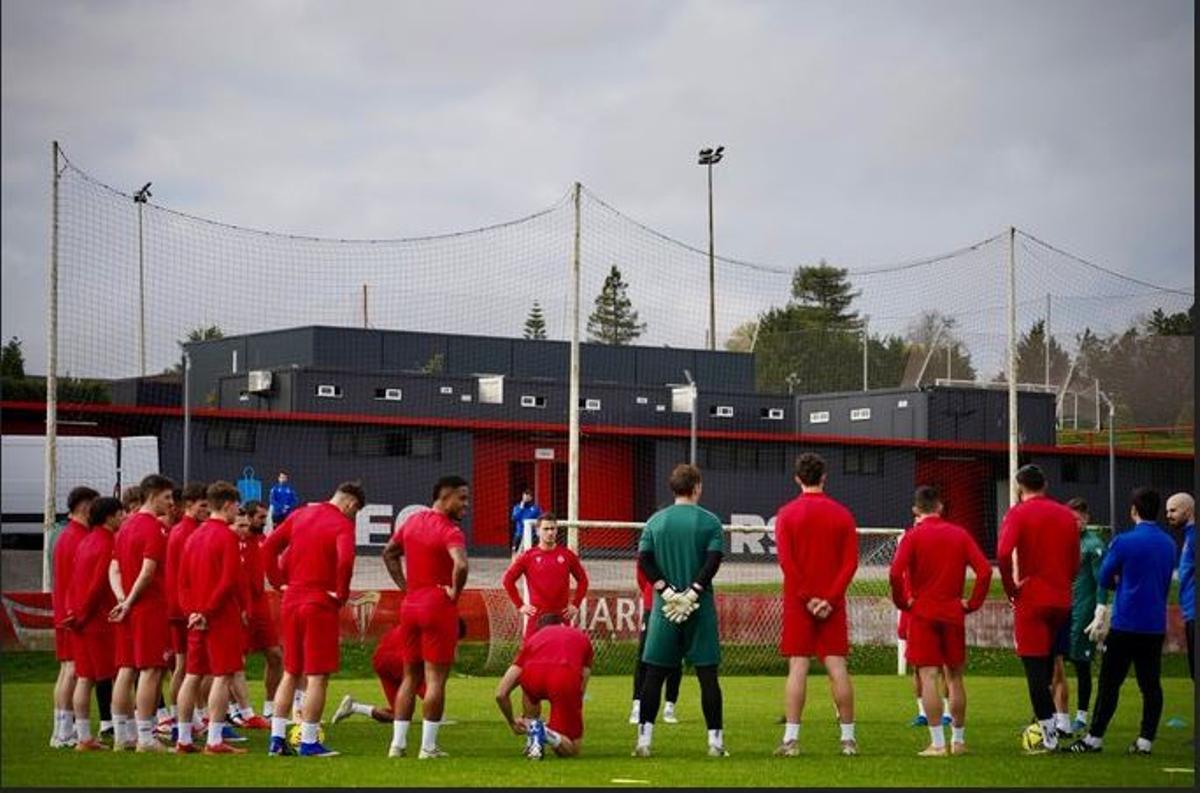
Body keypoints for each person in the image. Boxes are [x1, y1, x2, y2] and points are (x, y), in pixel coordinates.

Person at [1070, 488, 1177, 755]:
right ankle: (1145, 741)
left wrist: (1122, 580)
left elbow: (1105, 579)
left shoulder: (1123, 542)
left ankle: (1094, 738)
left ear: (1133, 511)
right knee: (1151, 684)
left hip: (1126, 621)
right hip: (1154, 623)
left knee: (1110, 683)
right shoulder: (1169, 544)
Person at [263, 481, 364, 757]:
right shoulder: (342, 525)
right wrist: (340, 594)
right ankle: (308, 741)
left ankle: (276, 739)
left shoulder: (300, 514)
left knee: (290, 672)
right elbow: (345, 561)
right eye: (354, 512)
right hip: (319, 602)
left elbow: (269, 547)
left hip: (292, 599)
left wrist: (277, 582)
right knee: (317, 676)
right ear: (351, 504)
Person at [889, 486, 992, 756]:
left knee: (928, 676)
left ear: (916, 510)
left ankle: (937, 743)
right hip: (952, 612)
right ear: (940, 507)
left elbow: (895, 573)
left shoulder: (912, 537)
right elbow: (984, 570)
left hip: (922, 613)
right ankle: (958, 741)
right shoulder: (959, 535)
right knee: (955, 677)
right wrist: (972, 603)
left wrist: (904, 603)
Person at [632, 463, 726, 759]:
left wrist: (667, 592)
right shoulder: (710, 522)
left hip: (664, 611)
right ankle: (715, 743)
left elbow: (645, 560)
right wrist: (692, 593)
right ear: (696, 486)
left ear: (672, 488)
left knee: (654, 676)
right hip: (699, 609)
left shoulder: (655, 522)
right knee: (707, 676)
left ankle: (644, 742)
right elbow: (712, 561)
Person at [773, 452, 859, 757]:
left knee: (798, 666)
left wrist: (809, 598)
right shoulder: (842, 514)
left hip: (800, 601)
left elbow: (787, 562)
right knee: (837, 666)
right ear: (824, 477)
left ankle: (792, 739)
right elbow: (850, 563)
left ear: (798, 478)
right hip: (831, 602)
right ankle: (848, 740)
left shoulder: (786, 514)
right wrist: (830, 599)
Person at [380, 475, 471, 759]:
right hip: (437, 606)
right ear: (445, 497)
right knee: (435, 680)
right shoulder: (450, 530)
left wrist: (406, 587)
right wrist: (455, 593)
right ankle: (428, 747)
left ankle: (397, 745)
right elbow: (461, 564)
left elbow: (388, 553)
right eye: (462, 498)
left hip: (410, 606)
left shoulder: (412, 522)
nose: (466, 505)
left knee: (409, 677)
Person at [996, 464, 1079, 753]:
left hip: (1032, 598)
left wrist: (1011, 588)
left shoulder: (1018, 513)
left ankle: (1048, 736)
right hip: (1061, 598)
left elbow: (1003, 553)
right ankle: (1053, 724)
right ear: (1045, 484)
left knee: (1034, 668)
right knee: (1050, 664)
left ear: (1020, 488)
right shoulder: (1066, 515)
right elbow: (1075, 561)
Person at [173, 481, 248, 755]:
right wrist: (206, 611)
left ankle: (183, 738)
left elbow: (182, 582)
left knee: (192, 675)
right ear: (228, 504)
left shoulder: (194, 535)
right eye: (237, 506)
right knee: (223, 675)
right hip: (219, 616)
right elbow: (228, 580)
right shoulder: (227, 537)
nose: (238, 511)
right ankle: (215, 740)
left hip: (195, 617)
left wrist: (191, 612)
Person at [109, 473, 175, 752]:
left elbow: (114, 567)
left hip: (128, 608)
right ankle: (146, 737)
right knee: (151, 670)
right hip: (147, 608)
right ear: (153, 495)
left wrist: (122, 599)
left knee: (126, 670)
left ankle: (122, 735)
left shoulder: (126, 526)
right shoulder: (152, 528)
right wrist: (131, 600)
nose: (171, 503)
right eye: (167, 497)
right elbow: (148, 571)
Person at [63, 496, 124, 751]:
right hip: (98, 620)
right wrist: (84, 614)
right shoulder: (108, 543)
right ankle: (124, 733)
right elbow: (99, 584)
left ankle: (84, 737)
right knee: (117, 676)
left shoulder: (86, 541)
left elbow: (74, 581)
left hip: (80, 619)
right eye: (120, 514)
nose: (122, 518)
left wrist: (72, 613)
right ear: (109, 516)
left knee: (84, 677)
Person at [331, 618, 467, 725]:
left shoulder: (422, 622)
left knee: (399, 715)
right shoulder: (429, 630)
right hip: (394, 658)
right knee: (419, 681)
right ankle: (437, 717)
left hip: (381, 660)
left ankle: (354, 707)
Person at [495, 613, 594, 759]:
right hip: (563, 676)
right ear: (563, 624)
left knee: (528, 691)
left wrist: (512, 723)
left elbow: (501, 693)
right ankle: (545, 732)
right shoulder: (581, 637)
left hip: (532, 676)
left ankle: (532, 736)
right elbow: (580, 689)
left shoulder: (533, 640)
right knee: (572, 749)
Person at [1049, 497, 1107, 737]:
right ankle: (1053, 715)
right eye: (1072, 517)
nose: (1076, 522)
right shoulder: (1060, 542)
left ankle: (1082, 716)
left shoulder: (1093, 544)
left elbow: (1101, 581)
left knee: (1081, 665)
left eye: (1080, 517)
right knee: (1056, 665)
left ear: (1087, 518)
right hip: (1062, 610)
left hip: (1083, 613)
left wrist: (1101, 609)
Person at [49, 485, 99, 748]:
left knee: (67, 670)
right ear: (85, 506)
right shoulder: (78, 537)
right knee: (74, 671)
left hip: (64, 611)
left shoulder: (66, 535)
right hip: (73, 614)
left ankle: (61, 729)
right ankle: (65, 731)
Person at [232, 500, 282, 724]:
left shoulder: (263, 541)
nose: (264, 522)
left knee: (275, 654)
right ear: (249, 517)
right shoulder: (234, 540)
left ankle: (270, 708)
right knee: (234, 660)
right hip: (240, 605)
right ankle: (235, 710)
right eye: (260, 518)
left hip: (260, 606)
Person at [164, 481, 209, 730]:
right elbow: (187, 575)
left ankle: (188, 716)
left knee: (189, 666)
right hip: (183, 610)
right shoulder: (186, 532)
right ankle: (179, 718)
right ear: (189, 505)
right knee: (185, 666)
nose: (206, 510)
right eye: (203, 505)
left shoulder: (185, 530)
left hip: (182, 607)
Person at [502, 513, 589, 640]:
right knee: (530, 655)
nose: (550, 533)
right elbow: (507, 580)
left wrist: (575, 604)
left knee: (560, 655)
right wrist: (520, 605)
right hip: (537, 618)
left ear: (557, 530)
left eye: (553, 529)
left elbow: (583, 580)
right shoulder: (528, 556)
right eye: (546, 529)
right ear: (537, 531)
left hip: (561, 617)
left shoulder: (567, 555)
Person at [631, 563, 682, 725]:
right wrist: (649, 591)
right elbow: (642, 572)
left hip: (676, 604)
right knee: (644, 656)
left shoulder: (678, 546)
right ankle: (637, 705)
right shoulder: (650, 544)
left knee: (675, 655)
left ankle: (670, 705)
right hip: (652, 604)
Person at [1164, 492, 1194, 680]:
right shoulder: (1189, 537)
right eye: (1167, 511)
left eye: (1173, 510)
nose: (1168, 515)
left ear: (1188, 511)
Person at [510, 487, 542, 554]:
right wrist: (521, 508)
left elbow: (541, 519)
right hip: (519, 534)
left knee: (531, 552)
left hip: (532, 535)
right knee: (515, 552)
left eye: (528, 496)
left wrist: (538, 531)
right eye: (525, 495)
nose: (526, 497)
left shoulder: (536, 508)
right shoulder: (517, 507)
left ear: (531, 497)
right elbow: (514, 518)